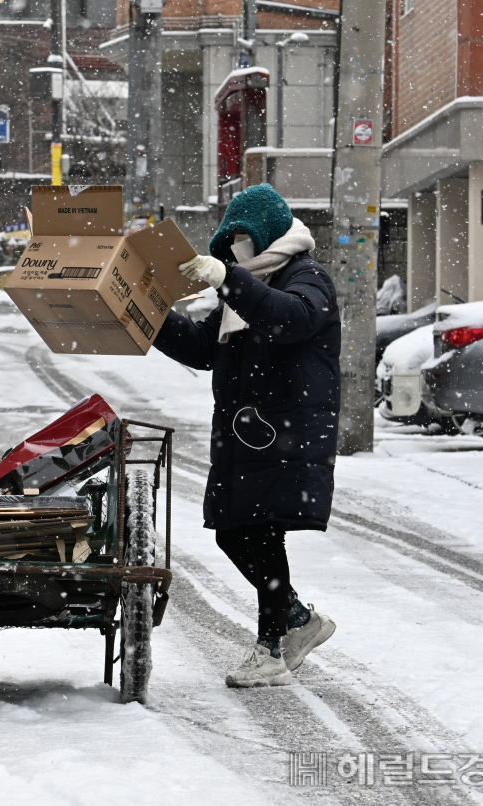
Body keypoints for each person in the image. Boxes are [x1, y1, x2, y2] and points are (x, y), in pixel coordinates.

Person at [152, 183, 339, 688]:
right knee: (235, 529)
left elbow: (291, 319)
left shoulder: (307, 277)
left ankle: (272, 647)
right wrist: (147, 315)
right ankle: (297, 620)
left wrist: (229, 280)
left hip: (287, 434)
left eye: (241, 238)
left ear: (264, 233)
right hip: (248, 435)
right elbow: (200, 345)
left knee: (258, 530)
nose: (235, 249)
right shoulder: (247, 287)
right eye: (228, 241)